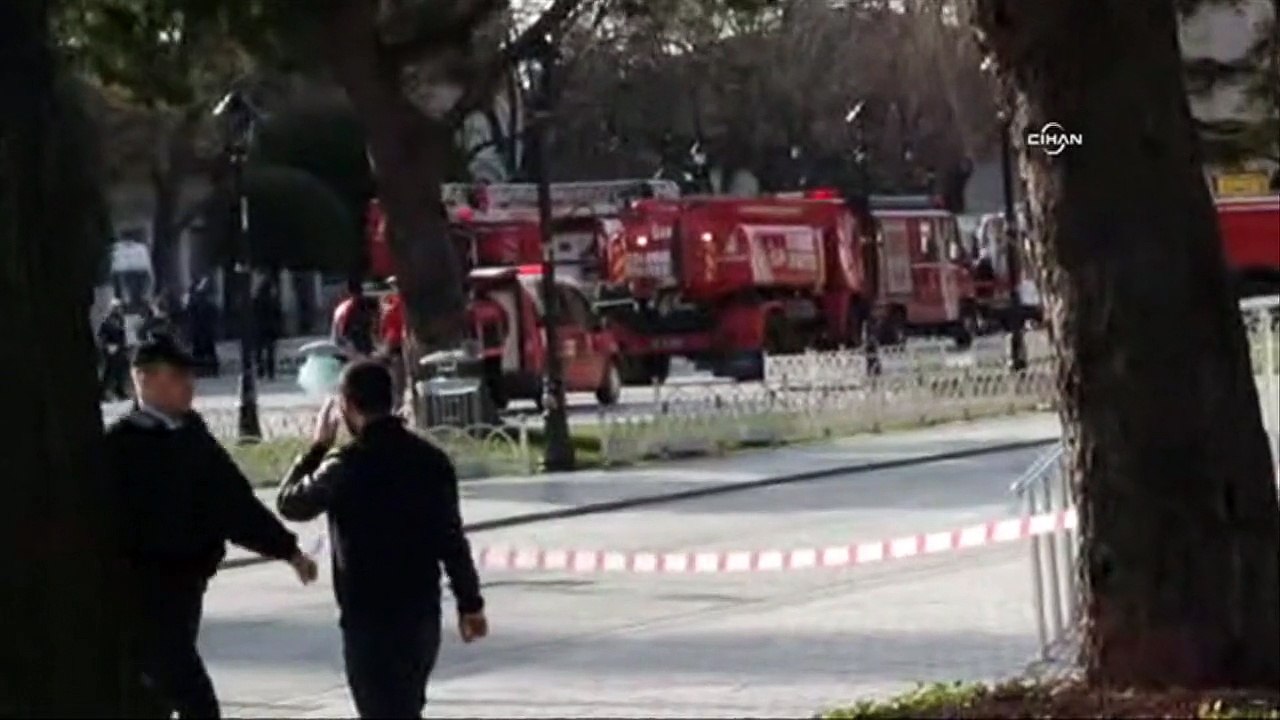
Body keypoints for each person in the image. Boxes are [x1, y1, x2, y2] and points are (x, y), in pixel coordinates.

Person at [105, 336, 319, 718]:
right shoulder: (123, 445)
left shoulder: (191, 434)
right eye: (178, 377)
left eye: (190, 377)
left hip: (189, 581)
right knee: (191, 695)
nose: (190, 386)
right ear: (145, 379)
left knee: (157, 695)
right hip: (145, 587)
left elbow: (234, 502)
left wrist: (287, 550)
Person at [277, 361, 488, 718]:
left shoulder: (344, 466)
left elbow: (290, 503)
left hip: (368, 620)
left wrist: (317, 448)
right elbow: (451, 540)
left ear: (347, 406)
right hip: (420, 616)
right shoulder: (431, 461)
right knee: (406, 707)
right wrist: (471, 604)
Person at [378, 277, 407, 413]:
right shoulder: (392, 303)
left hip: (400, 343)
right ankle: (396, 405)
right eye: (393, 285)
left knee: (399, 376)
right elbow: (383, 326)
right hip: (393, 343)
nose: (394, 288)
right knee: (396, 376)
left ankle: (398, 405)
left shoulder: (396, 304)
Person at [331, 279, 379, 359]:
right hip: (351, 349)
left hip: (344, 347)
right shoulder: (352, 307)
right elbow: (345, 332)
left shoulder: (344, 306)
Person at [185, 278, 221, 377]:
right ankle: (207, 370)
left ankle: (205, 370)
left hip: (202, 329)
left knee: (203, 350)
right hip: (201, 329)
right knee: (204, 350)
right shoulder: (198, 299)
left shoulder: (197, 299)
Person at [98, 300, 130, 401]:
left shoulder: (121, 320)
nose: (119, 309)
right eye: (117, 307)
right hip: (111, 350)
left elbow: (122, 335)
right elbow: (102, 337)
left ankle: (119, 391)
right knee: (110, 372)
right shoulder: (107, 322)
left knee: (120, 371)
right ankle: (102, 393)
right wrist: (107, 346)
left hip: (120, 349)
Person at [253, 277, 283, 381]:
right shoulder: (273, 301)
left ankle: (260, 370)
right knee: (270, 351)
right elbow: (278, 315)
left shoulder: (256, 300)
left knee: (259, 351)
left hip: (259, 328)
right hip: (270, 329)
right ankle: (270, 372)